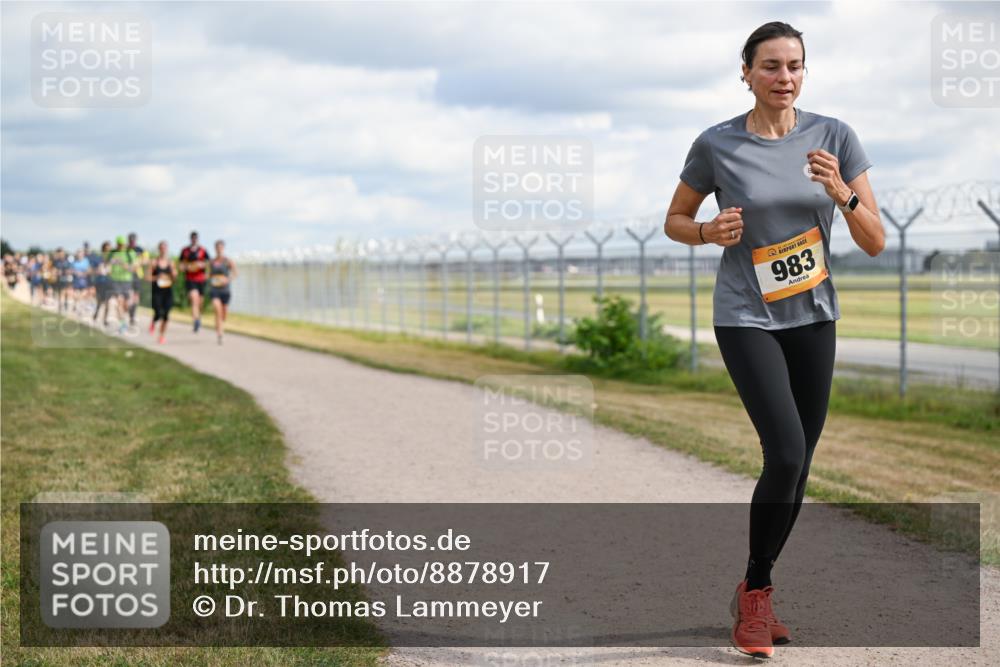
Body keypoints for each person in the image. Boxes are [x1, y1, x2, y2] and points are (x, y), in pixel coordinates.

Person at [664, 21, 884, 660]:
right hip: (746, 316)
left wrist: (840, 192)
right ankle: (756, 597)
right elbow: (675, 219)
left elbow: (875, 239)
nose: (783, 78)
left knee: (802, 463)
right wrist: (708, 232)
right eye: (770, 66)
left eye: (794, 66)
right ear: (746, 72)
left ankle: (755, 587)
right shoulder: (717, 144)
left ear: (804, 73)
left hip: (813, 316)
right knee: (785, 453)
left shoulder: (834, 136)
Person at [179, 231, 210, 333]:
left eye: (196, 238)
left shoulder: (203, 250)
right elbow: (180, 265)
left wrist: (202, 265)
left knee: (200, 302)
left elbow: (208, 263)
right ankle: (195, 321)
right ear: (190, 239)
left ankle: (198, 317)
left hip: (201, 279)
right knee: (194, 299)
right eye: (192, 238)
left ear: (198, 239)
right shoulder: (185, 250)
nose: (194, 239)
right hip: (190, 279)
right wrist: (186, 267)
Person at [207, 239, 236, 345]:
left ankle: (221, 325)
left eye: (221, 247)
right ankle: (220, 334)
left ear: (223, 248)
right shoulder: (211, 262)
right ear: (215, 248)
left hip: (225, 290)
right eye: (217, 247)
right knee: (217, 310)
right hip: (214, 289)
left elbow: (235, 273)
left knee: (224, 313)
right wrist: (209, 279)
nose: (219, 249)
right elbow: (208, 275)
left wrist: (227, 279)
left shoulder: (228, 261)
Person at [148, 240, 177, 344]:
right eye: (162, 248)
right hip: (157, 292)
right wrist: (157, 277)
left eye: (165, 248)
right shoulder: (154, 262)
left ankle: (161, 336)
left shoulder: (171, 263)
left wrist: (173, 275)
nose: (163, 250)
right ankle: (153, 321)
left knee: (166, 315)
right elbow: (147, 277)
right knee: (158, 313)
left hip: (168, 292)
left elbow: (175, 279)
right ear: (159, 249)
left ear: (167, 249)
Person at [106, 236, 137, 334]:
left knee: (127, 304)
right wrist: (108, 268)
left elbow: (133, 268)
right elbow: (107, 265)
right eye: (119, 244)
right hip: (115, 280)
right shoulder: (112, 253)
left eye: (122, 245)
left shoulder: (129, 253)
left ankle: (125, 317)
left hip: (127, 281)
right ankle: (122, 323)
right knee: (118, 301)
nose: (120, 247)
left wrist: (122, 263)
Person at [126, 232, 148, 326]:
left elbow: (146, 260)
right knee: (129, 297)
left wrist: (138, 263)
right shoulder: (125, 250)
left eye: (133, 240)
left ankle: (133, 315)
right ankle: (130, 314)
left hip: (137, 275)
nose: (132, 242)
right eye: (131, 240)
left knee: (136, 297)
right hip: (127, 275)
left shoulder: (140, 250)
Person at [92, 241, 113, 327]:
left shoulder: (112, 259)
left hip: (109, 282)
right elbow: (94, 270)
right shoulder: (99, 259)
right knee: (100, 301)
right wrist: (99, 270)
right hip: (100, 282)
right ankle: (96, 314)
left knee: (108, 302)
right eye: (106, 249)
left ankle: (105, 319)